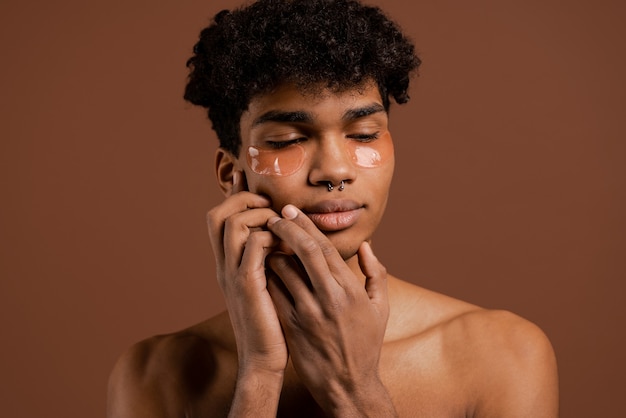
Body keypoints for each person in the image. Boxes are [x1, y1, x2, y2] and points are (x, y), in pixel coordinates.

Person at [107, 0, 559, 416]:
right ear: (231, 173)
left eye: (364, 134)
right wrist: (259, 376)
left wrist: (355, 389)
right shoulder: (154, 374)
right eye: (287, 141)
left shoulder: (501, 354)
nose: (335, 170)